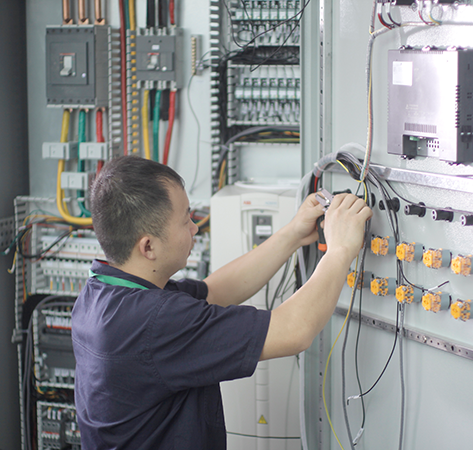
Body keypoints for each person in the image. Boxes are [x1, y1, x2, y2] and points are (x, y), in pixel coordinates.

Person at [71, 155, 372, 449]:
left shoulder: (103, 292)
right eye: (185, 220)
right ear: (148, 246)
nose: (195, 228)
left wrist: (293, 233)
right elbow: (294, 330)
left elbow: (214, 292)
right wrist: (341, 248)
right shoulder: (154, 322)